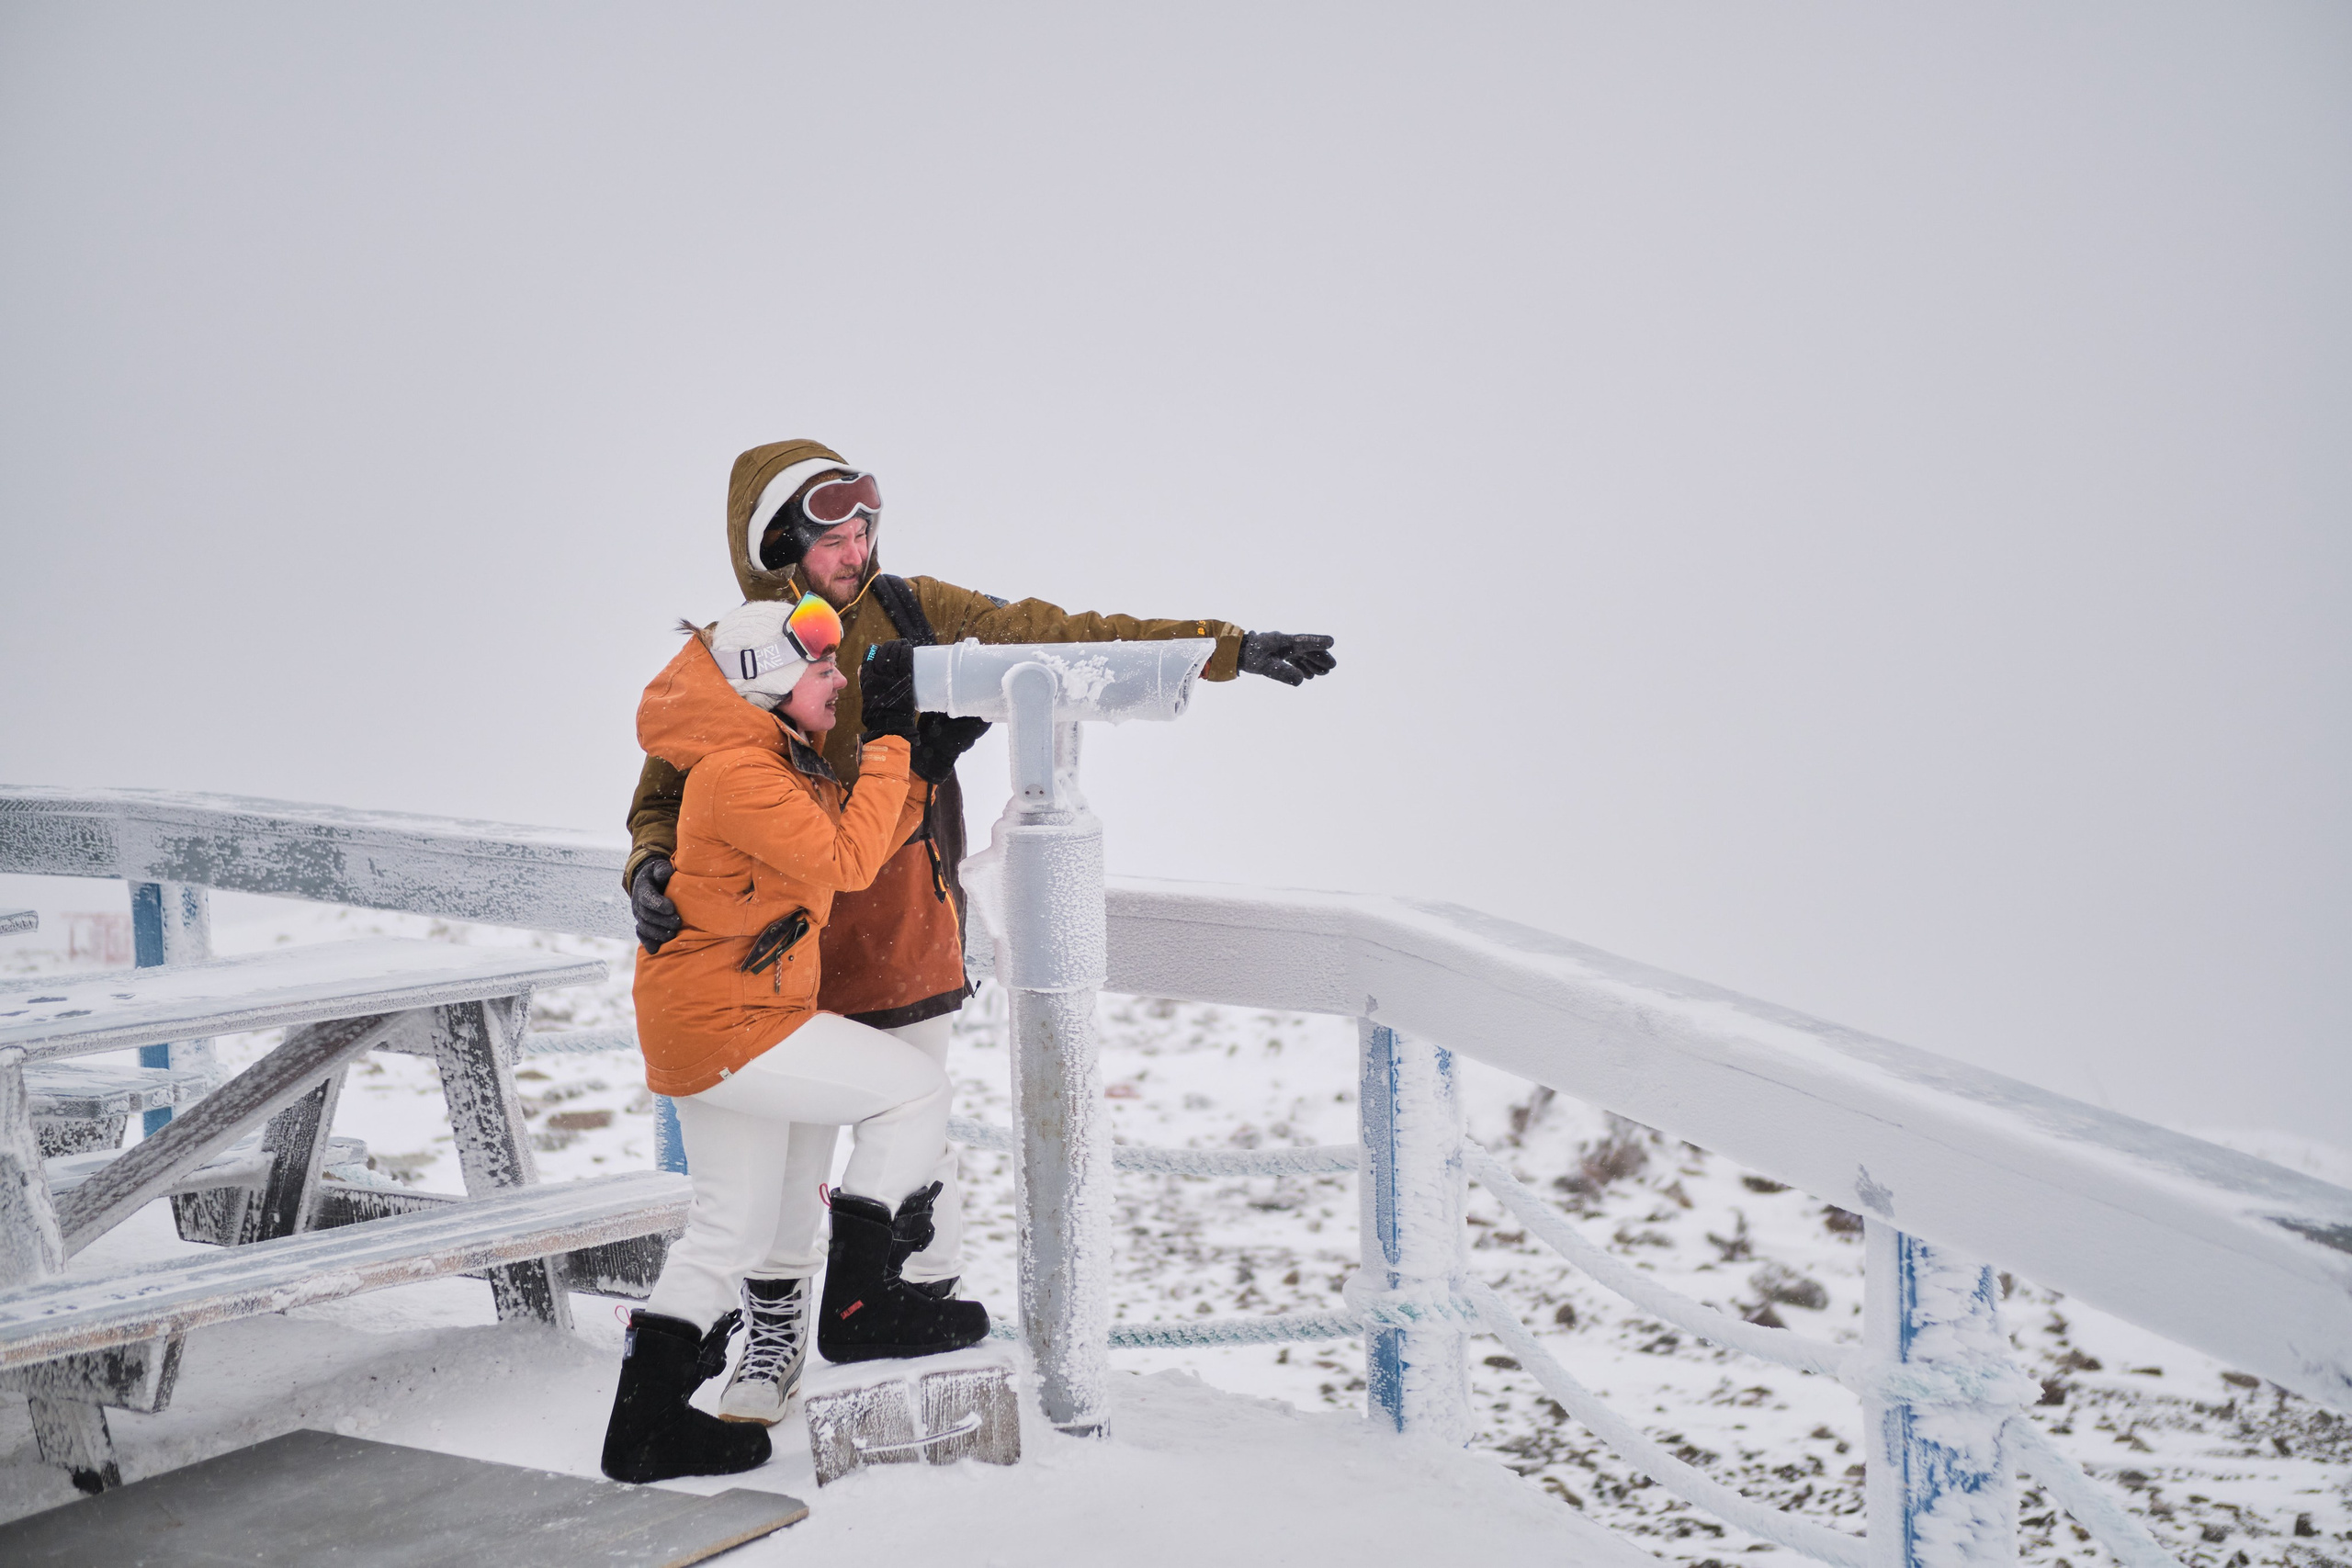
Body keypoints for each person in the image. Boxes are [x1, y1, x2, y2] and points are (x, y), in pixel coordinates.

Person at [620, 439, 1338, 1425]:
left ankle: (898, 1326)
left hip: (898, 921)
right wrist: (649, 863)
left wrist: (1221, 648)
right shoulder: (736, 648)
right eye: (835, 528)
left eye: (868, 521)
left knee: (914, 1137)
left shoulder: (916, 612)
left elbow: (1060, 634)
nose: (860, 540)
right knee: (785, 1165)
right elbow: (664, 787)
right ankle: (775, 1337)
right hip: (772, 948)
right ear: (778, 539)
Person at [600, 592, 990, 1485]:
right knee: (914, 1091)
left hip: (709, 1021)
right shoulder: (743, 774)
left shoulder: (770, 760)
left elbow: (836, 846)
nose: (840, 681)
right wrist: (894, 737)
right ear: (770, 685)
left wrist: (920, 771)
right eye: (821, 671)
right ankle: (862, 1302)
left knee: (724, 1230)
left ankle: (646, 1429)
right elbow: (850, 864)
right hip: (735, 1022)